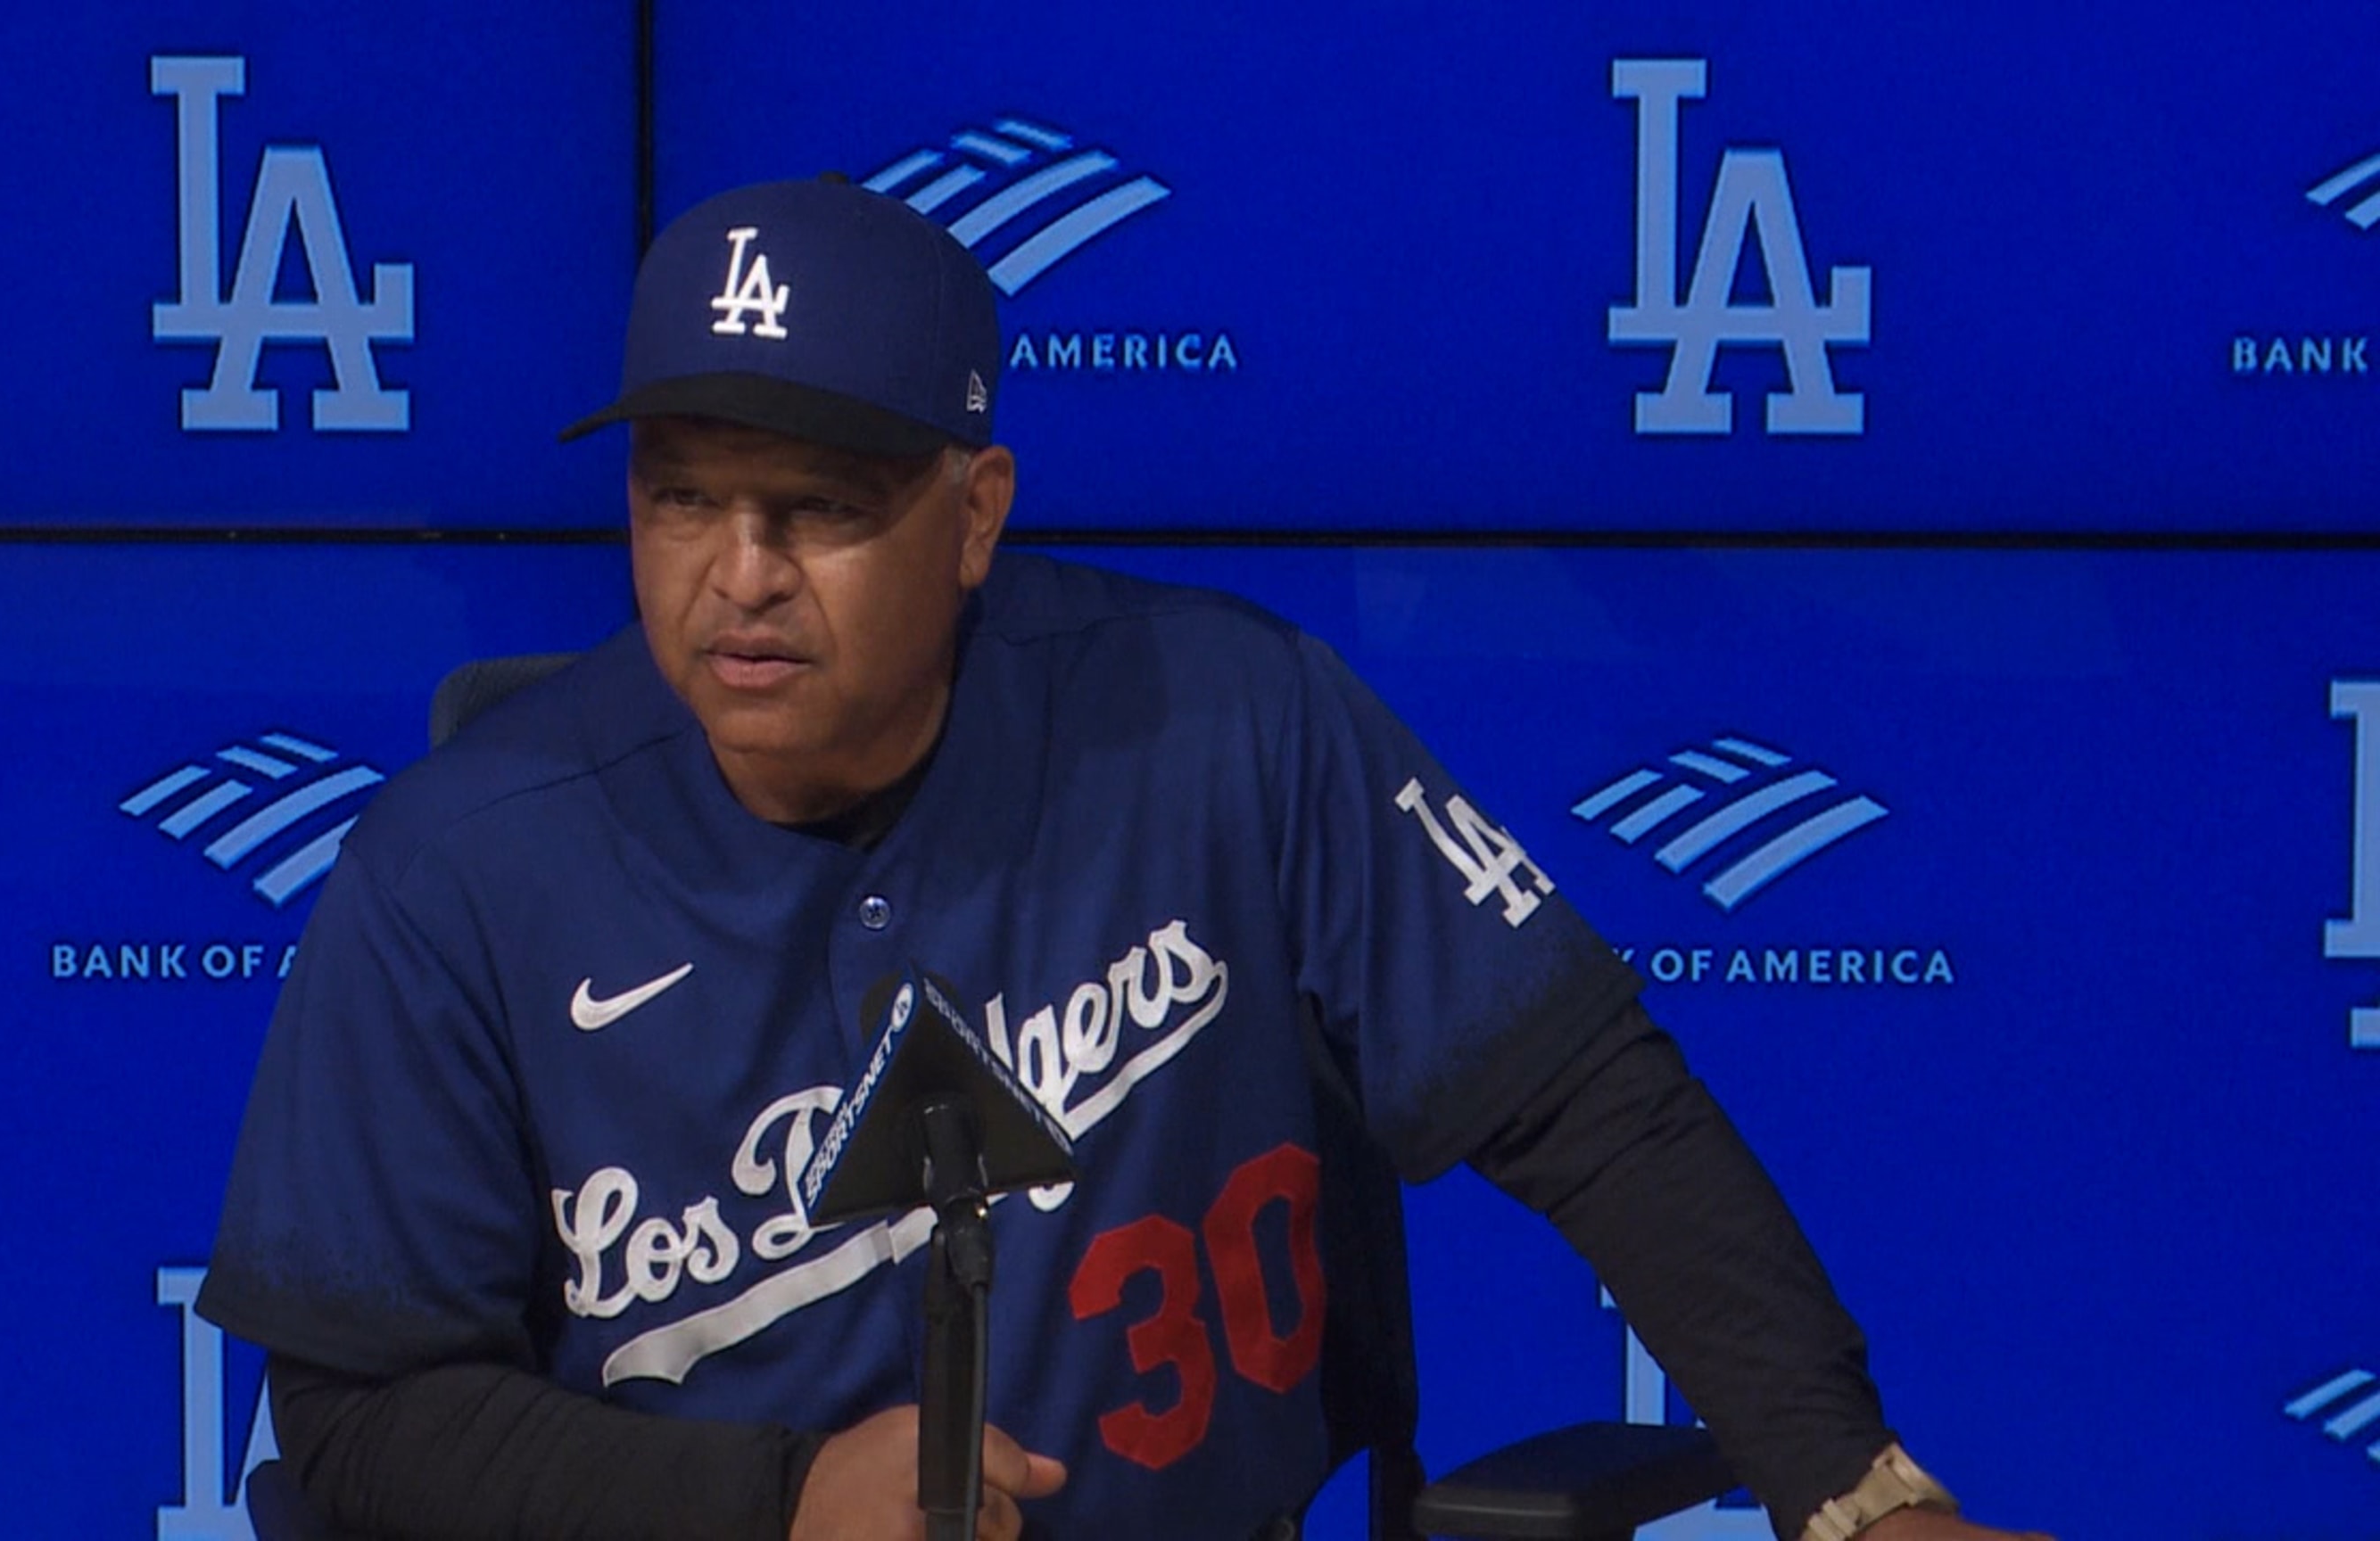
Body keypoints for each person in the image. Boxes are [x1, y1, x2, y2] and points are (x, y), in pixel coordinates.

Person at [199, 177, 2046, 1541]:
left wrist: (1855, 1493)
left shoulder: (1226, 724)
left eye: (819, 510)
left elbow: (1589, 1103)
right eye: (683, 495)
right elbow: (362, 1425)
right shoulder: (455, 869)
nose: (736, 574)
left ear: (975, 513)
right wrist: (771, 1505)